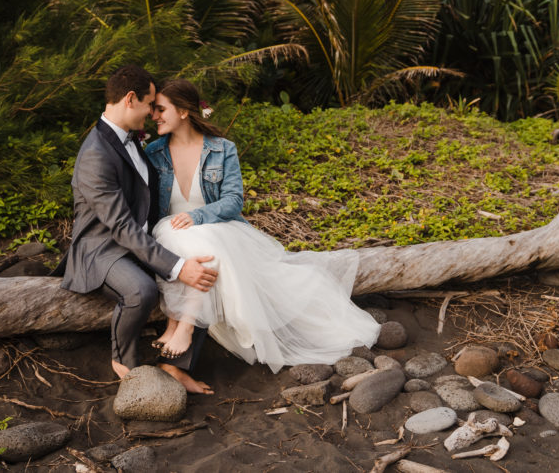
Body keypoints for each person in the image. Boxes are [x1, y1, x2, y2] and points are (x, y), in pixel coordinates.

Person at [145, 79, 380, 373]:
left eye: (160, 109)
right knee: (190, 243)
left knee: (209, 248)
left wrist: (198, 216)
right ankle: (179, 326)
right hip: (170, 229)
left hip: (216, 227)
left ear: (182, 112)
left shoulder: (221, 149)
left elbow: (233, 201)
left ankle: (183, 324)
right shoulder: (153, 152)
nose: (153, 116)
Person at [60, 65, 218, 394]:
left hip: (138, 242)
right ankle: (125, 362)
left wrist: (183, 244)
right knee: (141, 291)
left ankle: (177, 367)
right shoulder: (95, 154)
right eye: (150, 104)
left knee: (203, 265)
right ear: (130, 100)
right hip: (101, 250)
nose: (153, 112)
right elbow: (119, 225)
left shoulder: (131, 141)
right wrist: (175, 267)